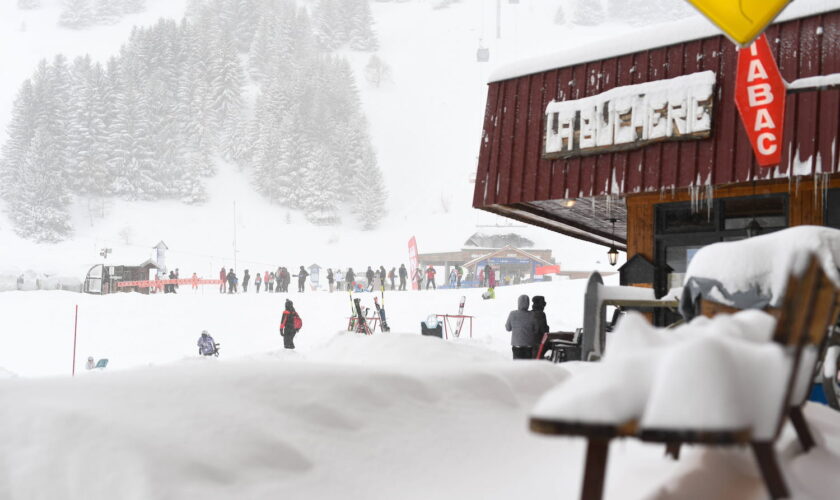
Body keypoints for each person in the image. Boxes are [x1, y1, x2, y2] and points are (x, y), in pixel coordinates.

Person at [505, 295, 539, 359]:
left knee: (518, 366)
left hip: (517, 346)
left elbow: (508, 328)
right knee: (527, 366)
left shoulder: (512, 314)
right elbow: (536, 330)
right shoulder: (533, 314)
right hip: (529, 346)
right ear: (528, 304)